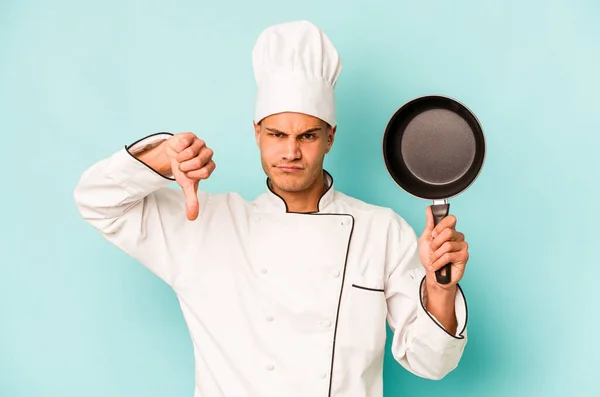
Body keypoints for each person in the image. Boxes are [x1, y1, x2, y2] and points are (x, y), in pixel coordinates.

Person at [74, 20, 469, 397]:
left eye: (308, 136)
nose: (290, 152)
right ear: (257, 134)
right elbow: (97, 201)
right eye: (277, 134)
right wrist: (163, 156)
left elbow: (430, 362)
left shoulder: (381, 231)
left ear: (330, 137)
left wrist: (439, 288)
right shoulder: (205, 224)